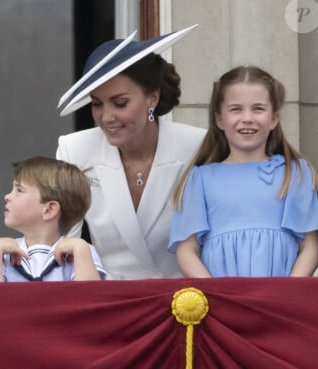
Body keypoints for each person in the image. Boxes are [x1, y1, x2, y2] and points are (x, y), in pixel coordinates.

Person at [55, 25, 205, 280]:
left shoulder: (197, 146)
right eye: (96, 104)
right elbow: (61, 245)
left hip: (185, 303)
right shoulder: (75, 150)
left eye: (120, 103)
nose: (106, 117)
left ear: (152, 99)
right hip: (109, 302)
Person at [168, 65, 318, 277]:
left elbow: (310, 247)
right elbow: (187, 250)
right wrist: (216, 295)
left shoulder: (294, 172)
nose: (247, 117)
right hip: (221, 300)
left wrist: (288, 293)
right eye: (236, 109)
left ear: (274, 118)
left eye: (258, 108)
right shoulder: (200, 179)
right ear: (219, 119)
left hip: (278, 299)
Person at [0, 156, 106, 282]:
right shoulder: (1, 253)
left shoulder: (79, 252)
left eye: (19, 190)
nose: (7, 196)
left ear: (49, 210)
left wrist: (81, 250)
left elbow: (89, 300)